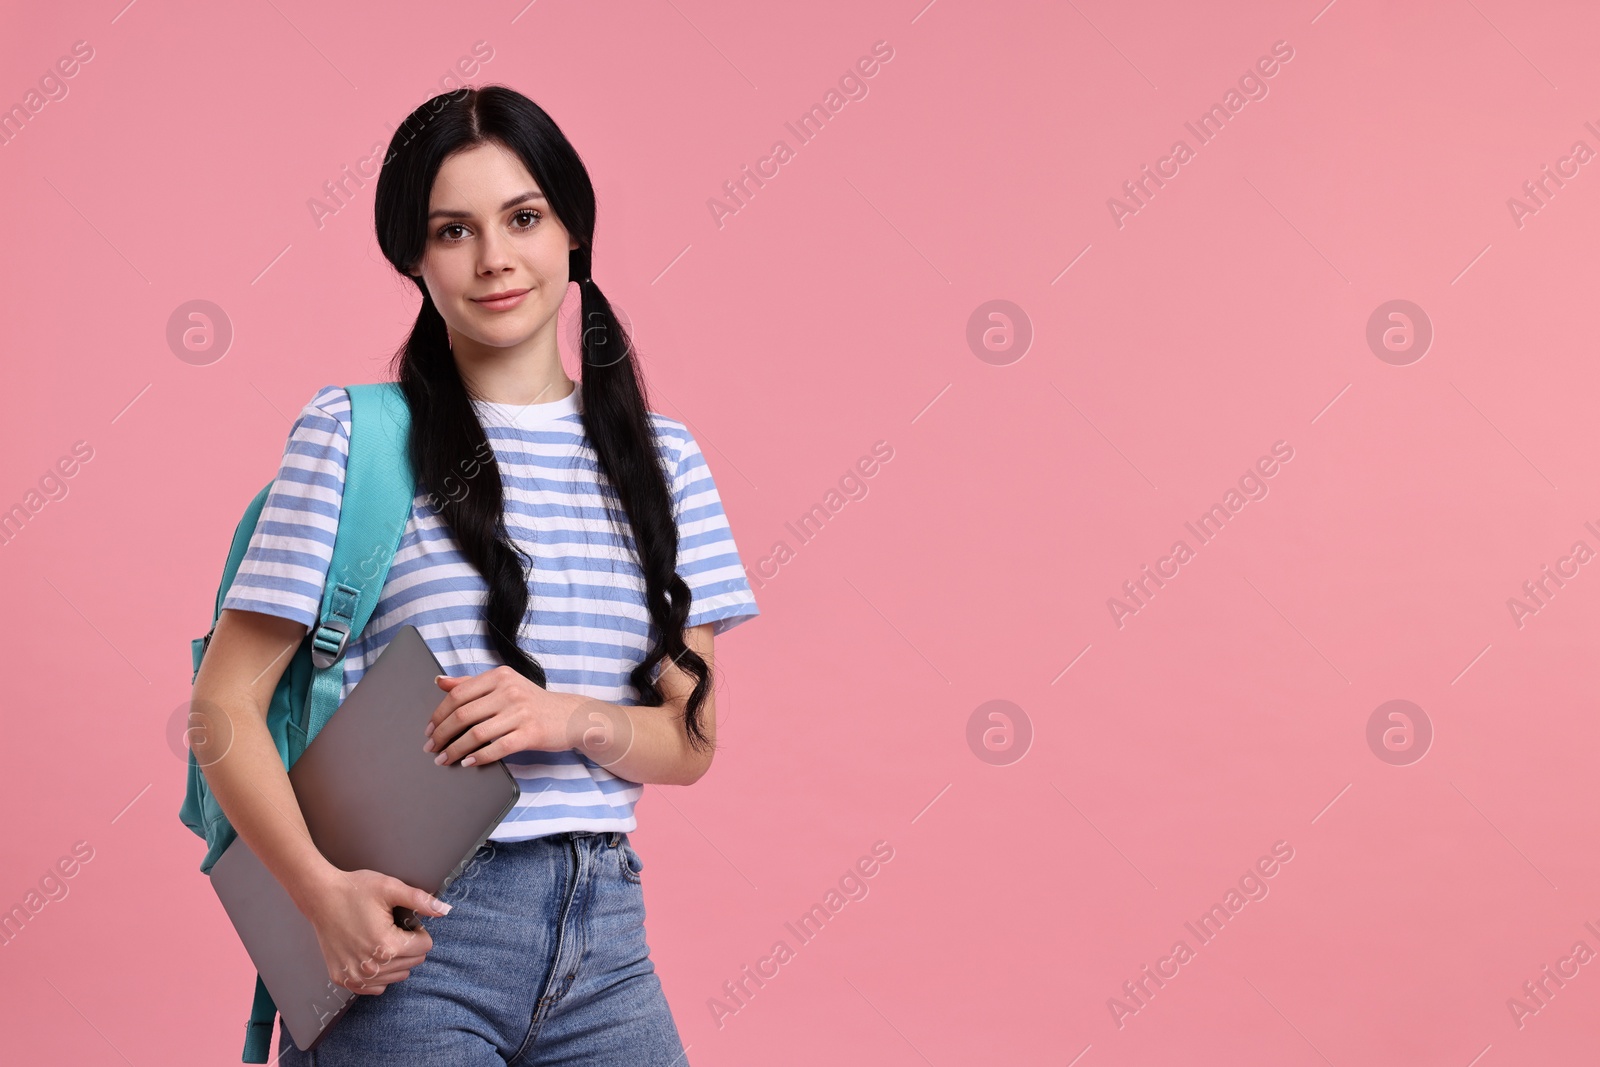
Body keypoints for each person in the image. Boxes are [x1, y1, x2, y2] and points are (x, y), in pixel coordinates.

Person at [189, 84, 759, 1065]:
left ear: (573, 231)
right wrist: (320, 897)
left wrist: (565, 716)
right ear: (413, 257)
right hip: (412, 936)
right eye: (453, 229)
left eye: (524, 218)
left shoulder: (666, 462)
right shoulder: (356, 436)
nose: (494, 257)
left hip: (606, 935)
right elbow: (223, 705)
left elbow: (691, 740)